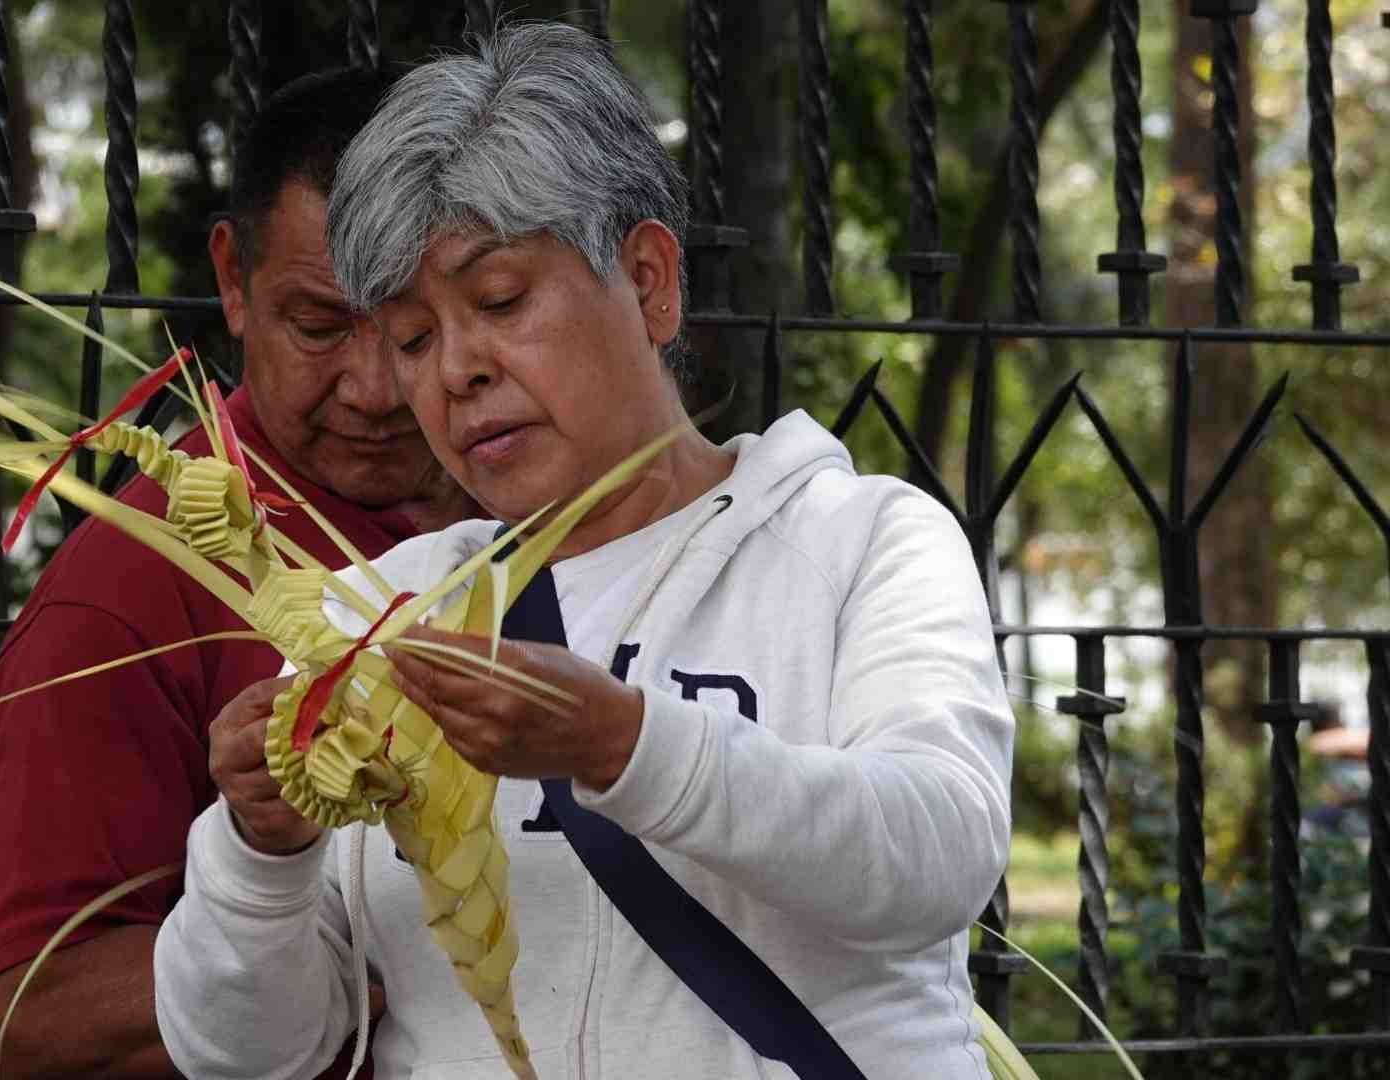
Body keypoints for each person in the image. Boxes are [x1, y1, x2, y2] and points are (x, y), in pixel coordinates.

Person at [154, 23, 1014, 1079]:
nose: (456, 370)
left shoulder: (864, 542)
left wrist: (627, 746)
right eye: (414, 337)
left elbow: (940, 855)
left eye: (501, 301)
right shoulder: (383, 609)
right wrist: (259, 850)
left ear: (651, 279)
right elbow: (241, 1059)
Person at [0, 66, 476, 1077]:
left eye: (415, 326)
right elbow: (41, 1017)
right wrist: (370, 964)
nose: (377, 389)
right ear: (233, 284)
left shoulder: (558, 508)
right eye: (322, 325)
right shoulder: (127, 588)